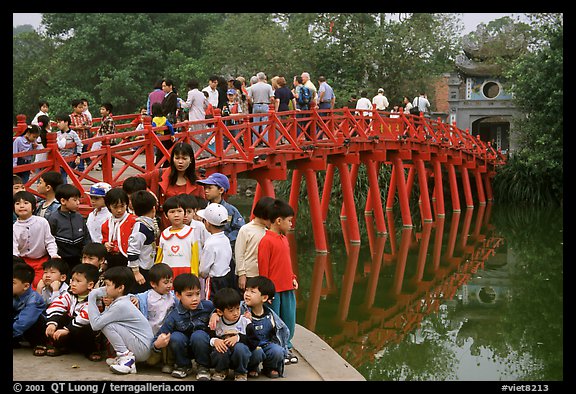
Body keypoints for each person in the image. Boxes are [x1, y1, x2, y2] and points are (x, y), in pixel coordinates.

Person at [87, 266, 153, 374]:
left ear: (120, 288)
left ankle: (126, 358)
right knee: (106, 322)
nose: (105, 289)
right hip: (142, 347)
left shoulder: (121, 305)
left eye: (107, 285)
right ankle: (125, 358)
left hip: (142, 348)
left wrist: (92, 296)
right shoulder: (121, 301)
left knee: (106, 325)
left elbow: (96, 324)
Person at [257, 199, 299, 364]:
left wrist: (292, 278)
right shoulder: (266, 241)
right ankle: (278, 348)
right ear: (278, 220)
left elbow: (286, 263)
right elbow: (264, 268)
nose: (291, 224)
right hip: (274, 290)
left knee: (289, 319)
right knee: (274, 321)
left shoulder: (283, 239)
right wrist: (266, 291)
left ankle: (287, 346)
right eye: (289, 220)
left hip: (287, 287)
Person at [151, 273, 214, 380]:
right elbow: (159, 336)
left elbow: (226, 309)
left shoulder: (208, 306)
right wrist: (157, 344)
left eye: (197, 294)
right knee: (175, 336)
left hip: (203, 347)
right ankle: (183, 366)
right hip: (183, 349)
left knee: (199, 335)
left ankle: (203, 367)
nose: (195, 299)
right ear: (178, 295)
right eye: (189, 295)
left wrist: (216, 313)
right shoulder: (174, 315)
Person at [138, 141, 204, 229]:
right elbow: (134, 181)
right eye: (177, 158)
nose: (180, 162)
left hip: (188, 230)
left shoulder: (198, 183)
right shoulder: (159, 174)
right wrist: (149, 193)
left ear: (191, 159)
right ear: (172, 158)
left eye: (184, 159)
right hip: (163, 227)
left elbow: (202, 208)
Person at [197, 172, 245, 289]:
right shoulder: (203, 208)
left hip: (223, 257)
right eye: (204, 188)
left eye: (209, 188)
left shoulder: (230, 210)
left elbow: (240, 229)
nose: (206, 191)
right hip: (205, 253)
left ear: (221, 190)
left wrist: (223, 240)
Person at [44, 263, 101, 360]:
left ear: (90, 285)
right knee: (59, 317)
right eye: (72, 280)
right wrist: (52, 323)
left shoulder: (95, 298)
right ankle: (60, 346)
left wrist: (67, 329)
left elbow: (85, 317)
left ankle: (92, 350)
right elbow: (57, 304)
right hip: (71, 331)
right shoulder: (70, 294)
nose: (73, 284)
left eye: (78, 281)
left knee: (88, 327)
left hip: (85, 333)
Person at [130, 263, 177, 374]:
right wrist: (133, 299)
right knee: (150, 360)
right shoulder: (146, 297)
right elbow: (130, 297)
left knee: (170, 338)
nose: (169, 285)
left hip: (164, 333)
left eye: (171, 281)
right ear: (153, 284)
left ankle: (168, 363)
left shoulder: (173, 297)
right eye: (165, 282)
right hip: (149, 334)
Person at [242, 275, 291, 378]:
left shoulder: (270, 315)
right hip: (250, 346)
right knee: (256, 353)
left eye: (252, 292)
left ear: (264, 298)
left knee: (277, 351)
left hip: (266, 344)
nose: (247, 294)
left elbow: (281, 331)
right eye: (246, 290)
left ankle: (269, 367)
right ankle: (252, 367)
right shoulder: (242, 310)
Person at [208, 287, 261, 381]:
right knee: (220, 348)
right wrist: (215, 341)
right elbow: (208, 337)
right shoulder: (216, 322)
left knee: (240, 348)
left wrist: (238, 338)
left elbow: (254, 341)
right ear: (220, 312)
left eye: (237, 308)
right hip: (224, 356)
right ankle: (221, 371)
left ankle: (241, 373)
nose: (236, 313)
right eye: (231, 310)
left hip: (242, 357)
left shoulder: (245, 322)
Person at [13, 190, 60, 289]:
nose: (21, 206)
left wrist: (53, 254)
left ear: (33, 207)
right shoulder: (14, 228)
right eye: (17, 204)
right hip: (23, 262)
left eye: (26, 203)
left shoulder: (42, 222)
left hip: (42, 261)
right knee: (24, 285)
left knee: (41, 284)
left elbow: (49, 241)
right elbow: (14, 250)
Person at [156, 196, 204, 278]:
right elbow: (159, 257)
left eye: (179, 211)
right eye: (172, 212)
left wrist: (194, 275)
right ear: (165, 215)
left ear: (185, 213)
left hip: (186, 273)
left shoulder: (191, 232)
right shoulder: (164, 234)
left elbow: (195, 256)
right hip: (167, 274)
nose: (176, 215)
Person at [48, 184, 91, 273]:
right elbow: (50, 239)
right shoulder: (53, 218)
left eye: (79, 199)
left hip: (78, 258)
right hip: (61, 260)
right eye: (75, 200)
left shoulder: (79, 217)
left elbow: (86, 237)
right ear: (63, 201)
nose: (78, 202)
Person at [235, 196, 275, 291]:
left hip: (261, 274)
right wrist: (241, 274)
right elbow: (239, 253)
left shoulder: (267, 231)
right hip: (248, 274)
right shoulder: (246, 229)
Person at [197, 203, 234, 301]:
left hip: (214, 280)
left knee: (211, 302)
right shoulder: (225, 239)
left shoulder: (210, 243)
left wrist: (202, 274)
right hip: (227, 276)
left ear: (207, 223)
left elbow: (203, 269)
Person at [127, 190, 160, 293]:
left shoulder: (148, 224)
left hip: (148, 265)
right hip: (140, 269)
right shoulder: (140, 227)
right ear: (153, 208)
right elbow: (132, 251)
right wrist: (136, 273)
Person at [13, 262, 47, 356]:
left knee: (36, 319)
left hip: (34, 329)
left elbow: (24, 322)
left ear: (26, 286)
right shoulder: (15, 293)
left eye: (13, 283)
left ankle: (40, 344)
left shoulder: (34, 299)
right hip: (18, 329)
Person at [101, 187, 137, 269]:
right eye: (115, 207)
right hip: (112, 259)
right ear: (109, 206)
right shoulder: (106, 224)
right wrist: (106, 244)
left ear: (127, 205)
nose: (119, 210)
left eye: (122, 206)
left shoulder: (133, 221)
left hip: (128, 259)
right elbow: (104, 240)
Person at [54, 113, 82, 184]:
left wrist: (78, 156)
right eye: (57, 122)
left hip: (68, 159)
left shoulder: (73, 133)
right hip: (58, 158)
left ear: (66, 122)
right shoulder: (57, 134)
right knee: (60, 176)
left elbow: (79, 144)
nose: (58, 124)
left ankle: (63, 191)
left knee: (62, 176)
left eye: (60, 122)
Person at [248, 71, 274, 144]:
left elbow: (249, 98)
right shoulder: (268, 86)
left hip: (256, 104)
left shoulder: (253, 87)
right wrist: (271, 104)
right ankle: (265, 142)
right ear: (264, 77)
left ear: (258, 78)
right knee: (264, 125)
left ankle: (255, 142)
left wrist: (252, 103)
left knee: (255, 124)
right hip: (265, 104)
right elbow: (272, 98)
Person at [69, 99, 93, 172]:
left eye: (82, 107)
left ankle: (71, 168)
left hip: (84, 138)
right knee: (78, 154)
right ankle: (81, 169)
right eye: (79, 107)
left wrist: (85, 127)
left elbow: (90, 124)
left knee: (82, 153)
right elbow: (68, 126)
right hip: (76, 140)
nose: (81, 109)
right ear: (74, 107)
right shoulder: (71, 117)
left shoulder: (85, 116)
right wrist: (76, 127)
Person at [92, 102, 116, 169]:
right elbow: (102, 127)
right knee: (102, 152)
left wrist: (104, 136)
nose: (101, 111)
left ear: (108, 111)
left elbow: (109, 131)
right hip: (103, 139)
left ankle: (110, 165)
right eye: (101, 109)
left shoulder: (109, 120)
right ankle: (104, 164)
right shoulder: (103, 118)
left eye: (103, 109)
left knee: (110, 154)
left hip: (109, 140)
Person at [151, 102, 175, 167]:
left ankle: (156, 165)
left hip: (157, 136)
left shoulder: (154, 119)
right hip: (163, 136)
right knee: (164, 151)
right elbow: (170, 126)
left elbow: (153, 128)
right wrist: (172, 134)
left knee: (157, 151)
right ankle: (164, 164)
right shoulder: (164, 118)